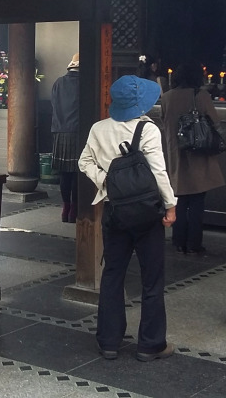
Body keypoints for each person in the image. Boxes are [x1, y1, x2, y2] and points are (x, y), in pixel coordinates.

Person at [78, 75, 176, 362]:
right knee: (152, 279)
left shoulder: (99, 128)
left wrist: (106, 182)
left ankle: (109, 341)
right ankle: (150, 344)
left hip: (115, 211)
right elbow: (158, 172)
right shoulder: (148, 129)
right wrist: (170, 205)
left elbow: (84, 161)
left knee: (112, 275)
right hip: (147, 213)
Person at [160, 62, 224, 254]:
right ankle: (194, 243)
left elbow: (164, 121)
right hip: (198, 153)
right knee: (197, 202)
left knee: (179, 200)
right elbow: (214, 120)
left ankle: (178, 240)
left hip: (176, 153)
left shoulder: (167, 97)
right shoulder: (201, 95)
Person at [51, 53, 81, 223]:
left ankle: (65, 208)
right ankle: (74, 210)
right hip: (77, 131)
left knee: (65, 174)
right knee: (77, 173)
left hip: (60, 131)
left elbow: (54, 106)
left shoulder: (58, 82)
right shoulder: (84, 83)